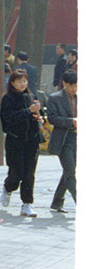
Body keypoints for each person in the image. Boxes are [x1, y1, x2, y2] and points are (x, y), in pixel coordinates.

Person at [0, 69, 43, 217]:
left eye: (24, 81)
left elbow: (37, 113)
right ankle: (8, 187)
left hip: (32, 140)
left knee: (29, 173)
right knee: (16, 173)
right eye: (19, 81)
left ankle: (27, 204)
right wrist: (28, 111)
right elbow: (9, 119)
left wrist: (39, 118)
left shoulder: (31, 96)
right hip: (15, 140)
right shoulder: (8, 99)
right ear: (12, 83)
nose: (22, 84)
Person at [46, 70, 76, 213]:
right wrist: (70, 122)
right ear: (64, 83)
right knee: (70, 172)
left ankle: (57, 201)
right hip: (64, 139)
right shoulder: (55, 98)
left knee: (68, 171)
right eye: (71, 86)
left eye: (77, 86)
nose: (74, 89)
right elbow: (51, 118)